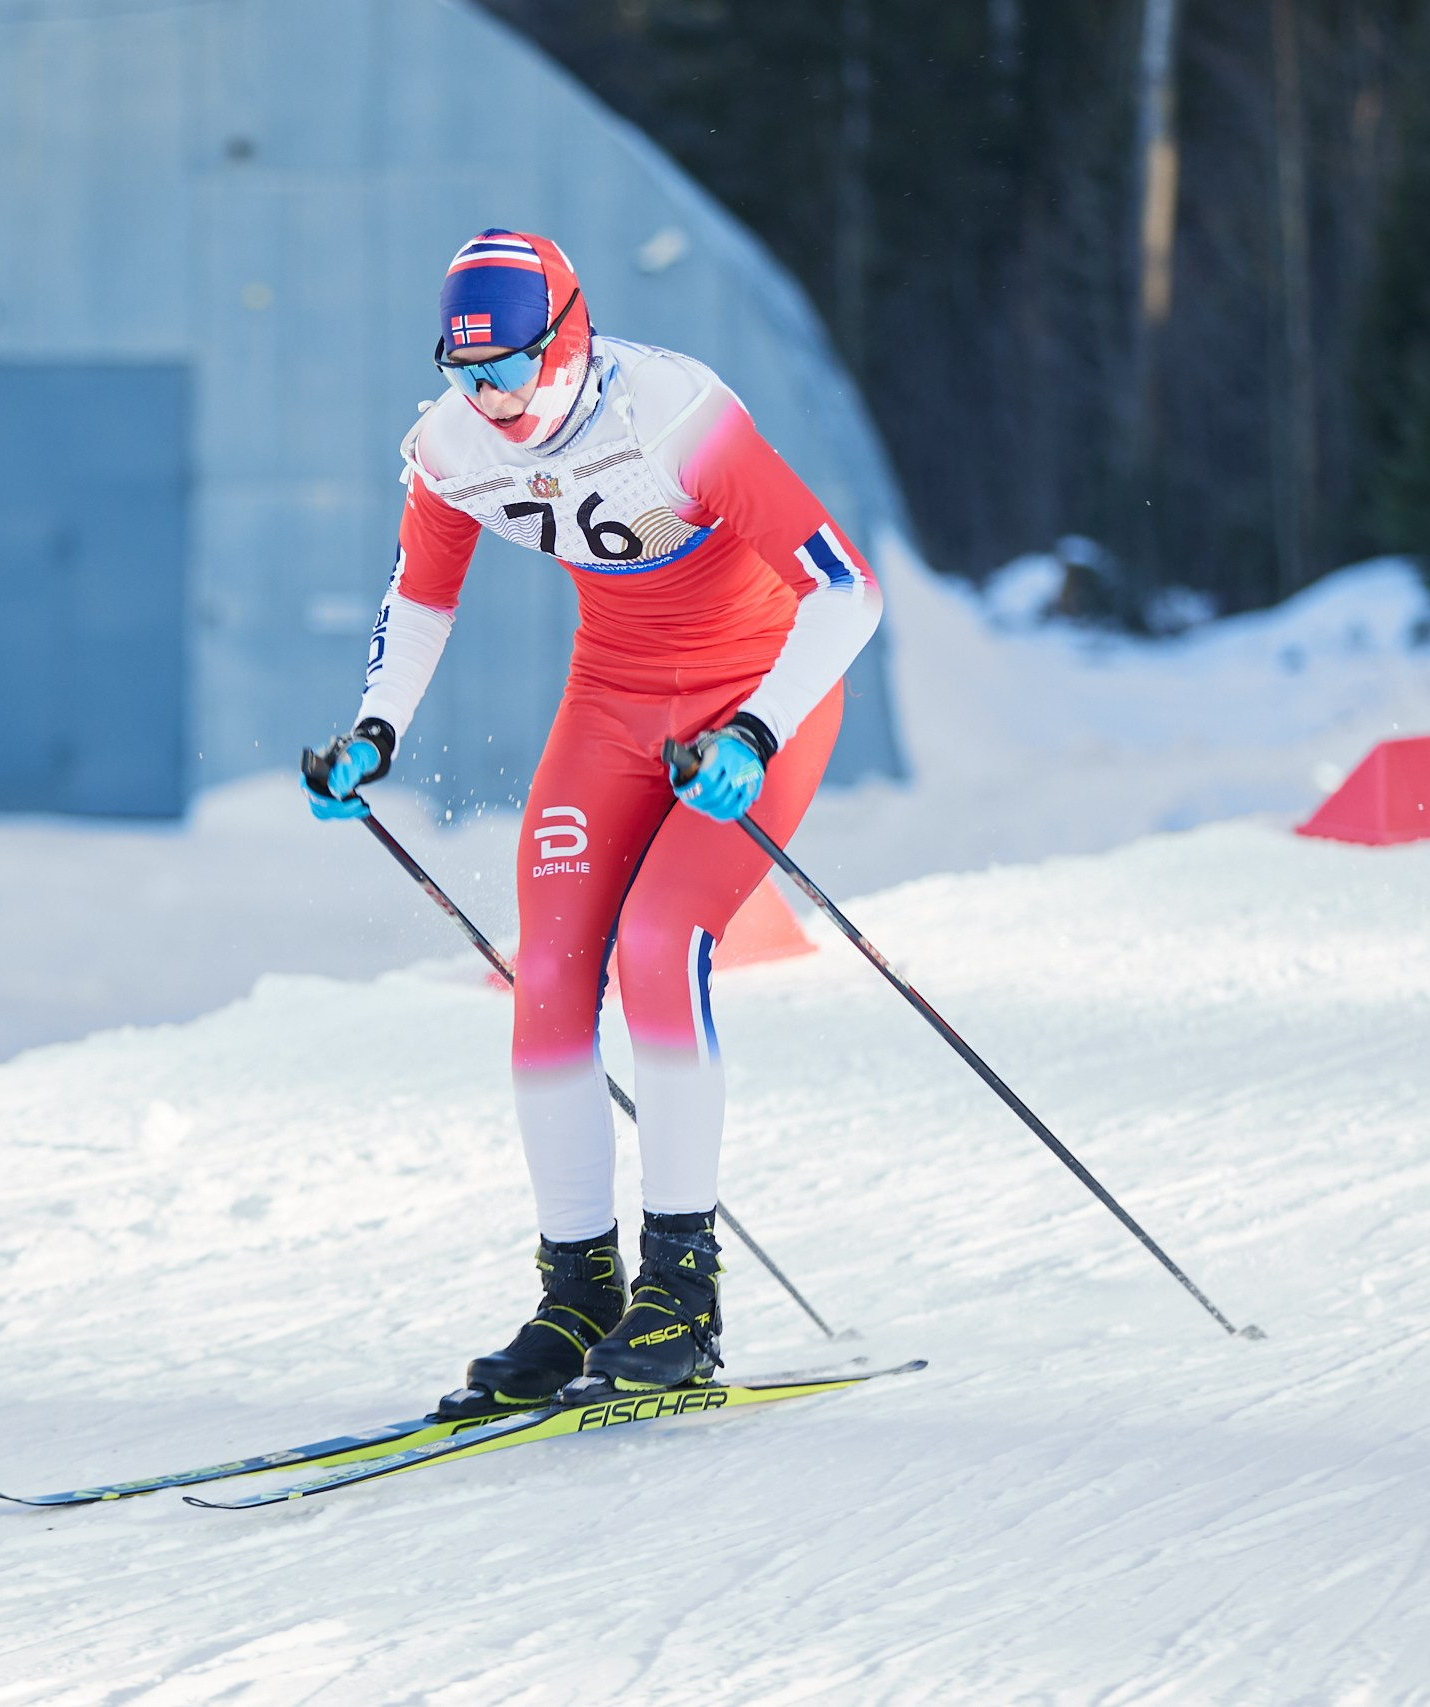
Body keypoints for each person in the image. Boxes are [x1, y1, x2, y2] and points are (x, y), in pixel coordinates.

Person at [304, 229, 882, 1417]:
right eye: (466, 374)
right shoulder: (451, 445)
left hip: (756, 696)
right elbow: (421, 596)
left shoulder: (673, 414)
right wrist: (373, 731)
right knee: (552, 971)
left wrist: (755, 732)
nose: (492, 398)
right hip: (613, 704)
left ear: (567, 338)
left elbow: (846, 589)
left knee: (660, 943)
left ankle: (681, 1297)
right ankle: (577, 1295)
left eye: (511, 367)